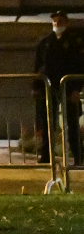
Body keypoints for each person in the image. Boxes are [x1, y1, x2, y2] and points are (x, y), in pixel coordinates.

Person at [33, 11, 84, 166]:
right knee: (49, 123)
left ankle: (79, 157)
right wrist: (36, 87)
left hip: (69, 87)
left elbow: (80, 66)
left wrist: (77, 88)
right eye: (55, 21)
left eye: (60, 21)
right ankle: (46, 155)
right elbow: (39, 67)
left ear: (66, 23)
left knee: (72, 123)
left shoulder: (76, 41)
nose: (57, 24)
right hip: (49, 87)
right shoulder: (45, 42)